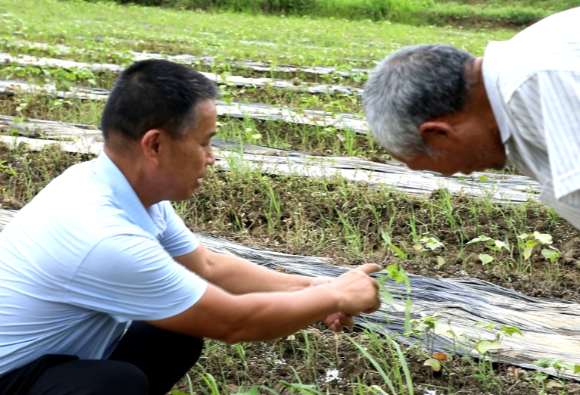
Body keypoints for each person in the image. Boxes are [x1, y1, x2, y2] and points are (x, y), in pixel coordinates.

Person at [0, 59, 382, 395]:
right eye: (205, 143)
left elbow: (208, 268)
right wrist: (333, 299)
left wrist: (319, 286)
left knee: (171, 335)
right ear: (155, 146)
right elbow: (235, 322)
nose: (212, 159)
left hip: (43, 362)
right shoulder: (102, 237)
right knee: (113, 384)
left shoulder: (104, 183)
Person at [363, 8, 580, 228]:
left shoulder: (536, 83)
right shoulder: (506, 116)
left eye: (429, 167)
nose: (453, 173)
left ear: (439, 132)